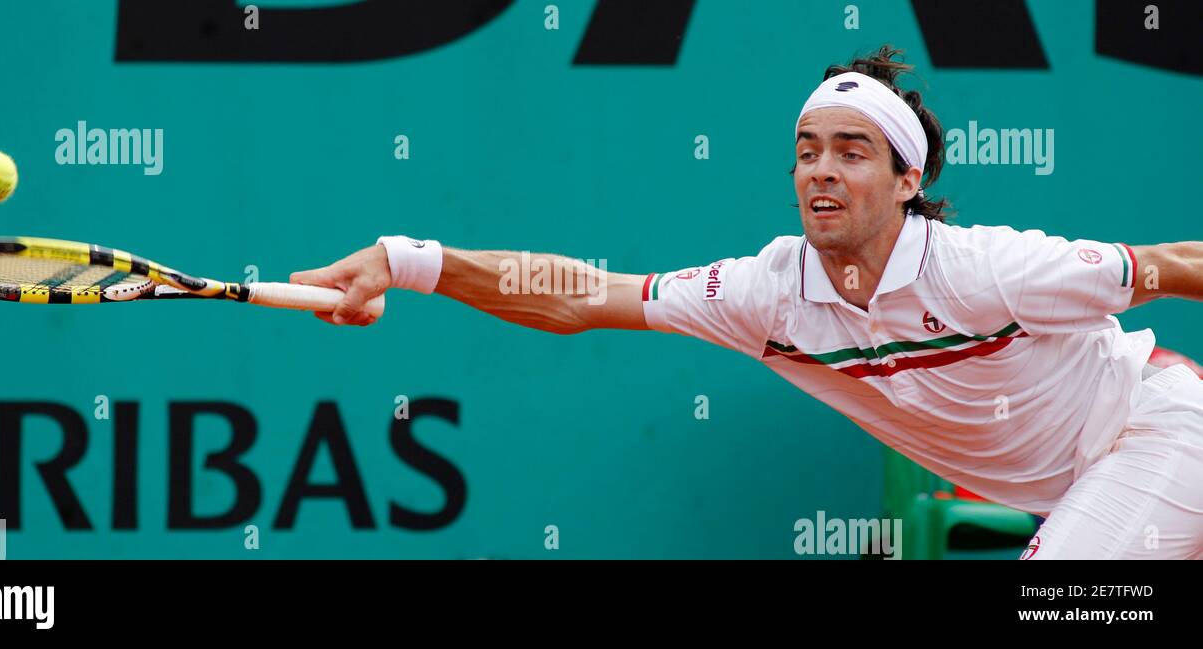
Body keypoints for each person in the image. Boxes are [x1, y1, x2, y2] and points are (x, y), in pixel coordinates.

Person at [291, 46, 1203, 559]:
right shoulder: (767, 293)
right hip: (1080, 485)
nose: (821, 170)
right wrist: (410, 260)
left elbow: (1173, 262)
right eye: (808, 149)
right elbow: (582, 296)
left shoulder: (994, 270)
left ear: (906, 177)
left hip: (1159, 432)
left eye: (852, 150)